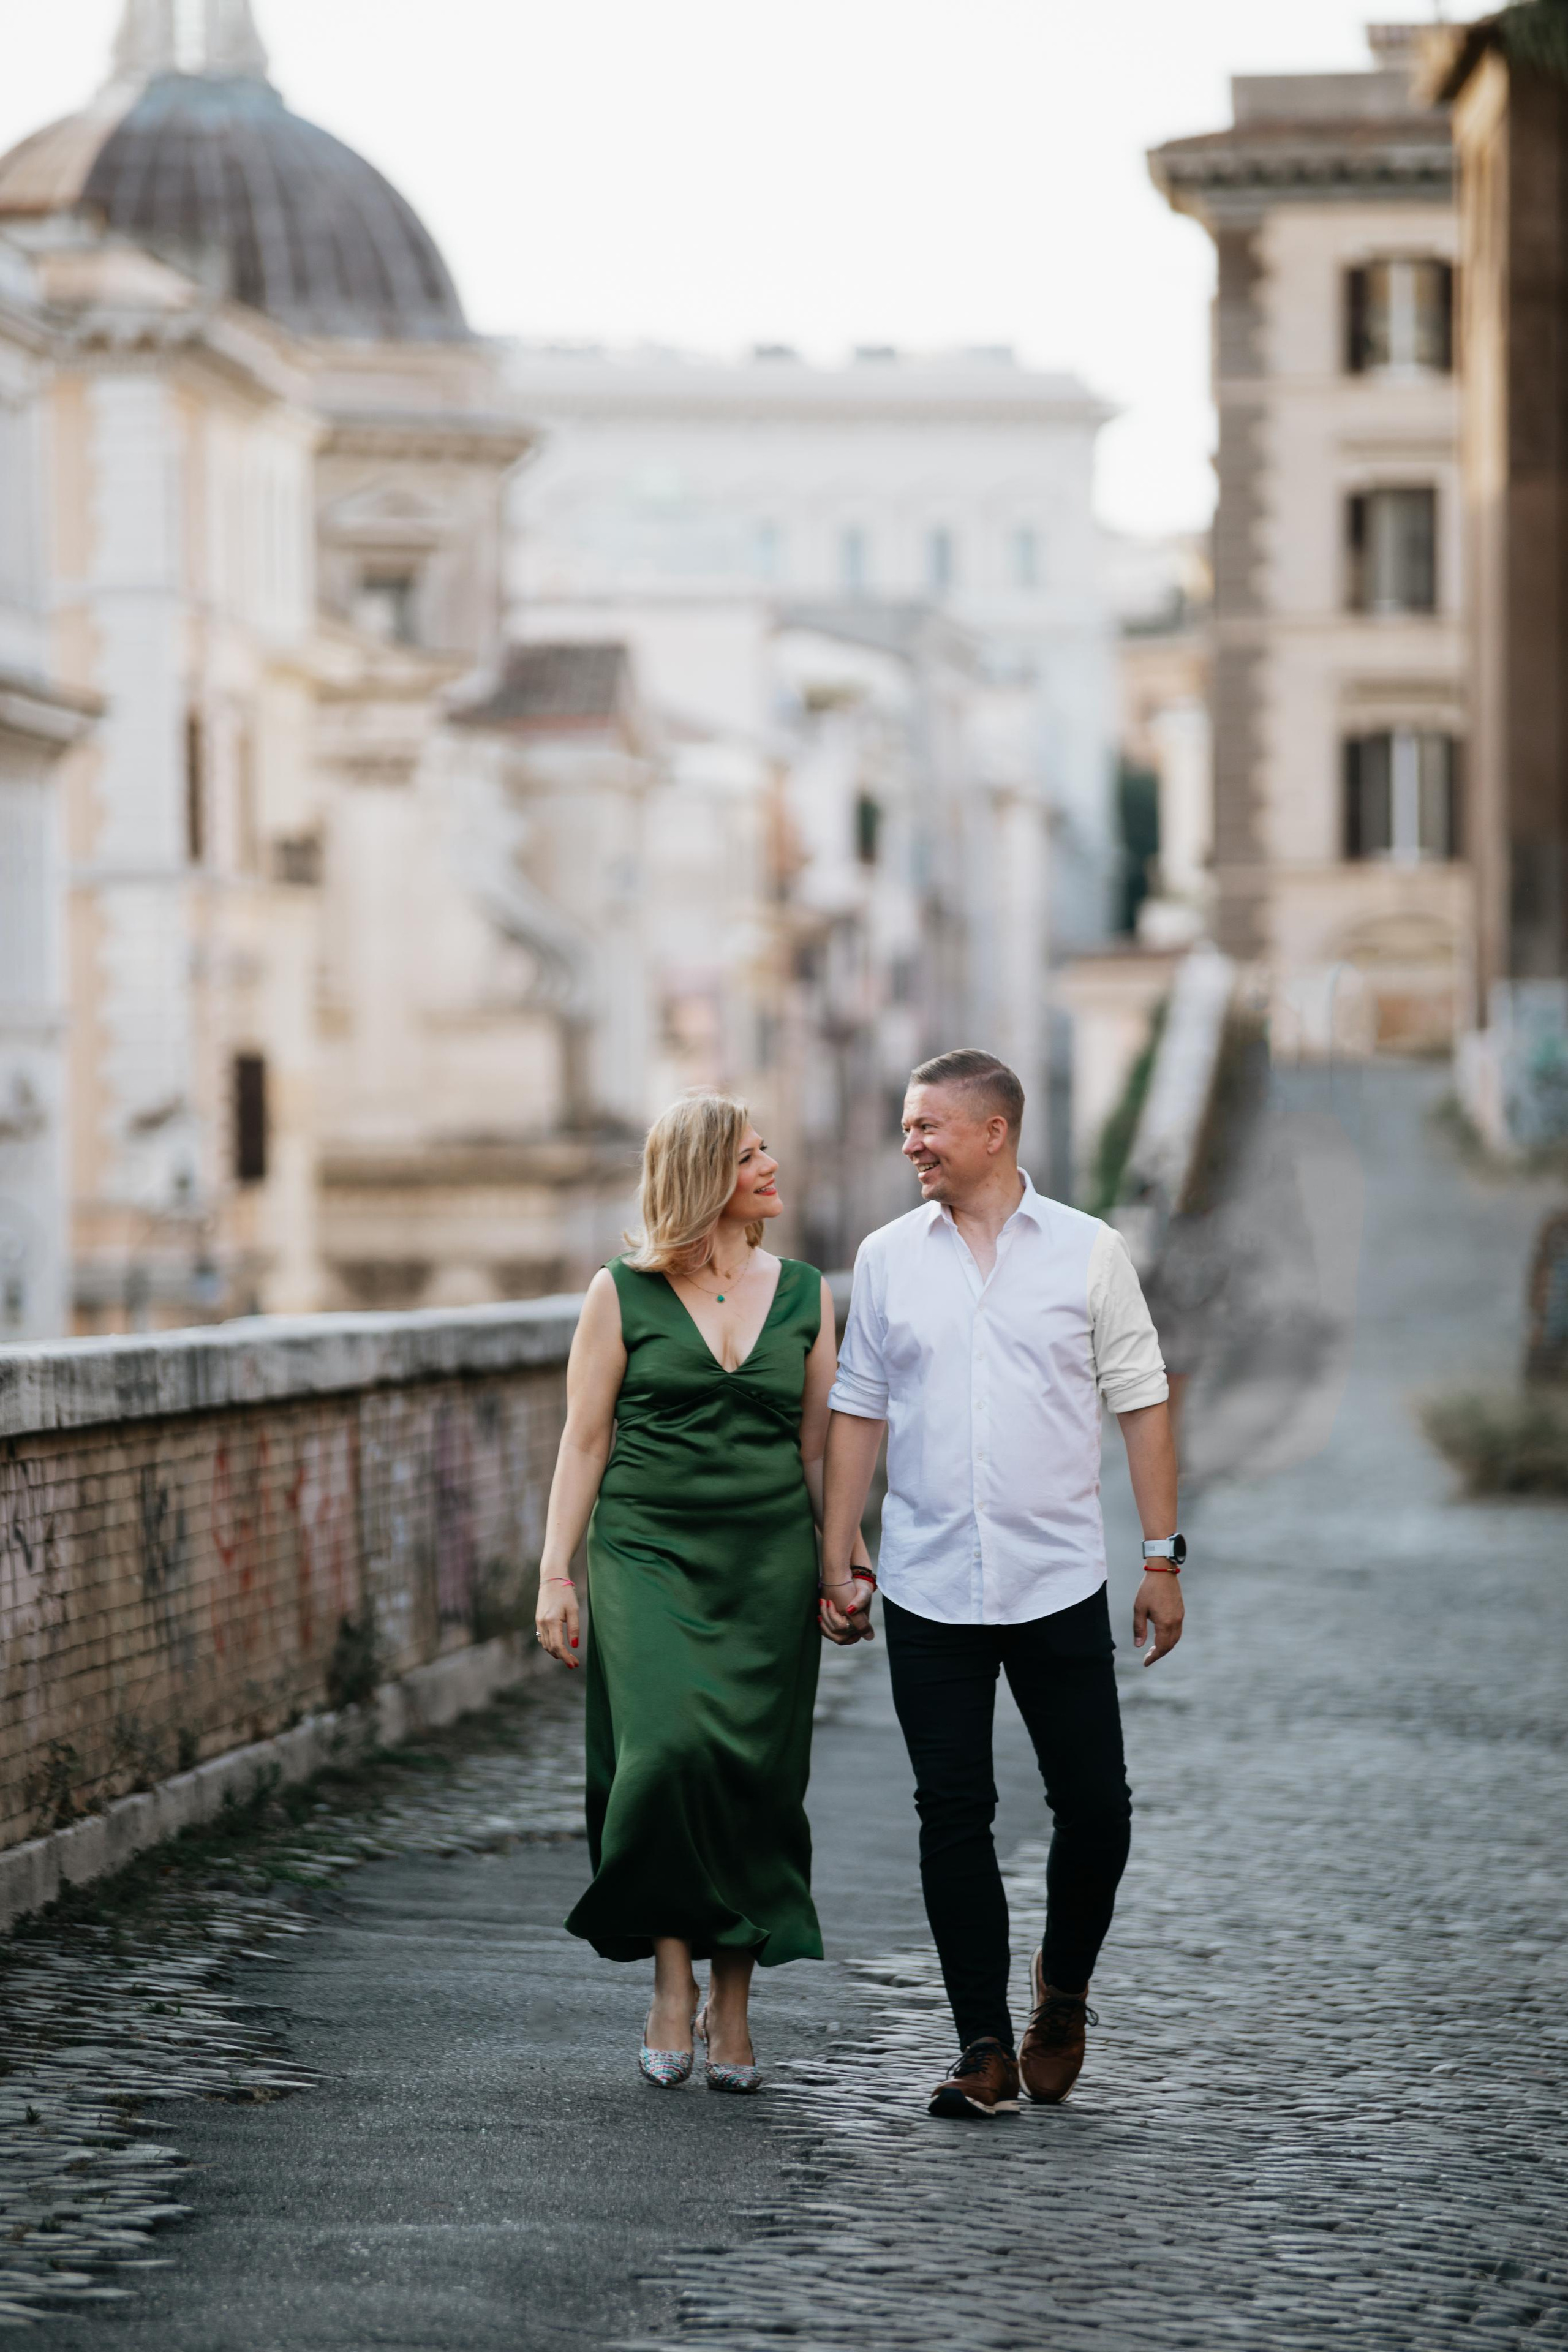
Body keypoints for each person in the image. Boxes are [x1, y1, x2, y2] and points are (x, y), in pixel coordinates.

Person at [821, 1047, 1184, 2120]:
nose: (910, 1144)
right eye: (906, 1125)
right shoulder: (888, 1256)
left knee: (1098, 1811)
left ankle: (1061, 1993)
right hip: (930, 1580)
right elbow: (858, 1406)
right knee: (952, 1812)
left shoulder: (1087, 1251)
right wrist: (837, 1550)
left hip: (1056, 1577)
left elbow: (1145, 1402)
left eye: (928, 1126)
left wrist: (1162, 1558)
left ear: (995, 1132)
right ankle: (979, 2043)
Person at [534, 1093, 873, 2093]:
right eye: (750, 1154)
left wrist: (840, 1564)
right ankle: (670, 1985)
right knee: (669, 1759)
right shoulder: (620, 1293)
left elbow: (819, 1451)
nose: (773, 1166)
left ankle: (735, 2003)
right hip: (646, 1555)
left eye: (769, 1148)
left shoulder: (808, 1293)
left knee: (753, 1780)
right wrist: (557, 1571)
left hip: (765, 1560)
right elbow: (584, 1438)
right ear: (700, 1176)